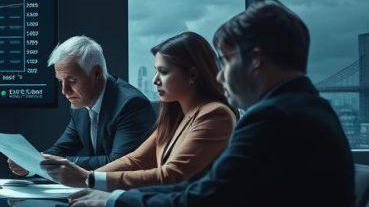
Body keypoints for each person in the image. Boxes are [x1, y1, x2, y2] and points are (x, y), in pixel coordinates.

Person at [68, 0, 355, 207]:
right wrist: (111, 195)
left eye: (227, 60)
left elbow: (195, 205)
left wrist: (112, 203)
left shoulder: (273, 118)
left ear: (256, 60)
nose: (219, 74)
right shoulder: (306, 109)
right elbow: (198, 190)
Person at [41, 32, 237, 190]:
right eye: (156, 71)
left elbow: (171, 176)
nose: (155, 80)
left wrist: (89, 180)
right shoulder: (176, 115)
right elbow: (136, 160)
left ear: (192, 75)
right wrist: (87, 182)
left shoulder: (214, 115)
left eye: (164, 72)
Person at [9, 36, 155, 175]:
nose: (64, 91)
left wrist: (61, 163)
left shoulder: (131, 104)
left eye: (72, 80)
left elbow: (119, 163)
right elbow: (61, 149)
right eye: (60, 81)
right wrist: (30, 164)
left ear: (97, 73)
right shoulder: (80, 104)